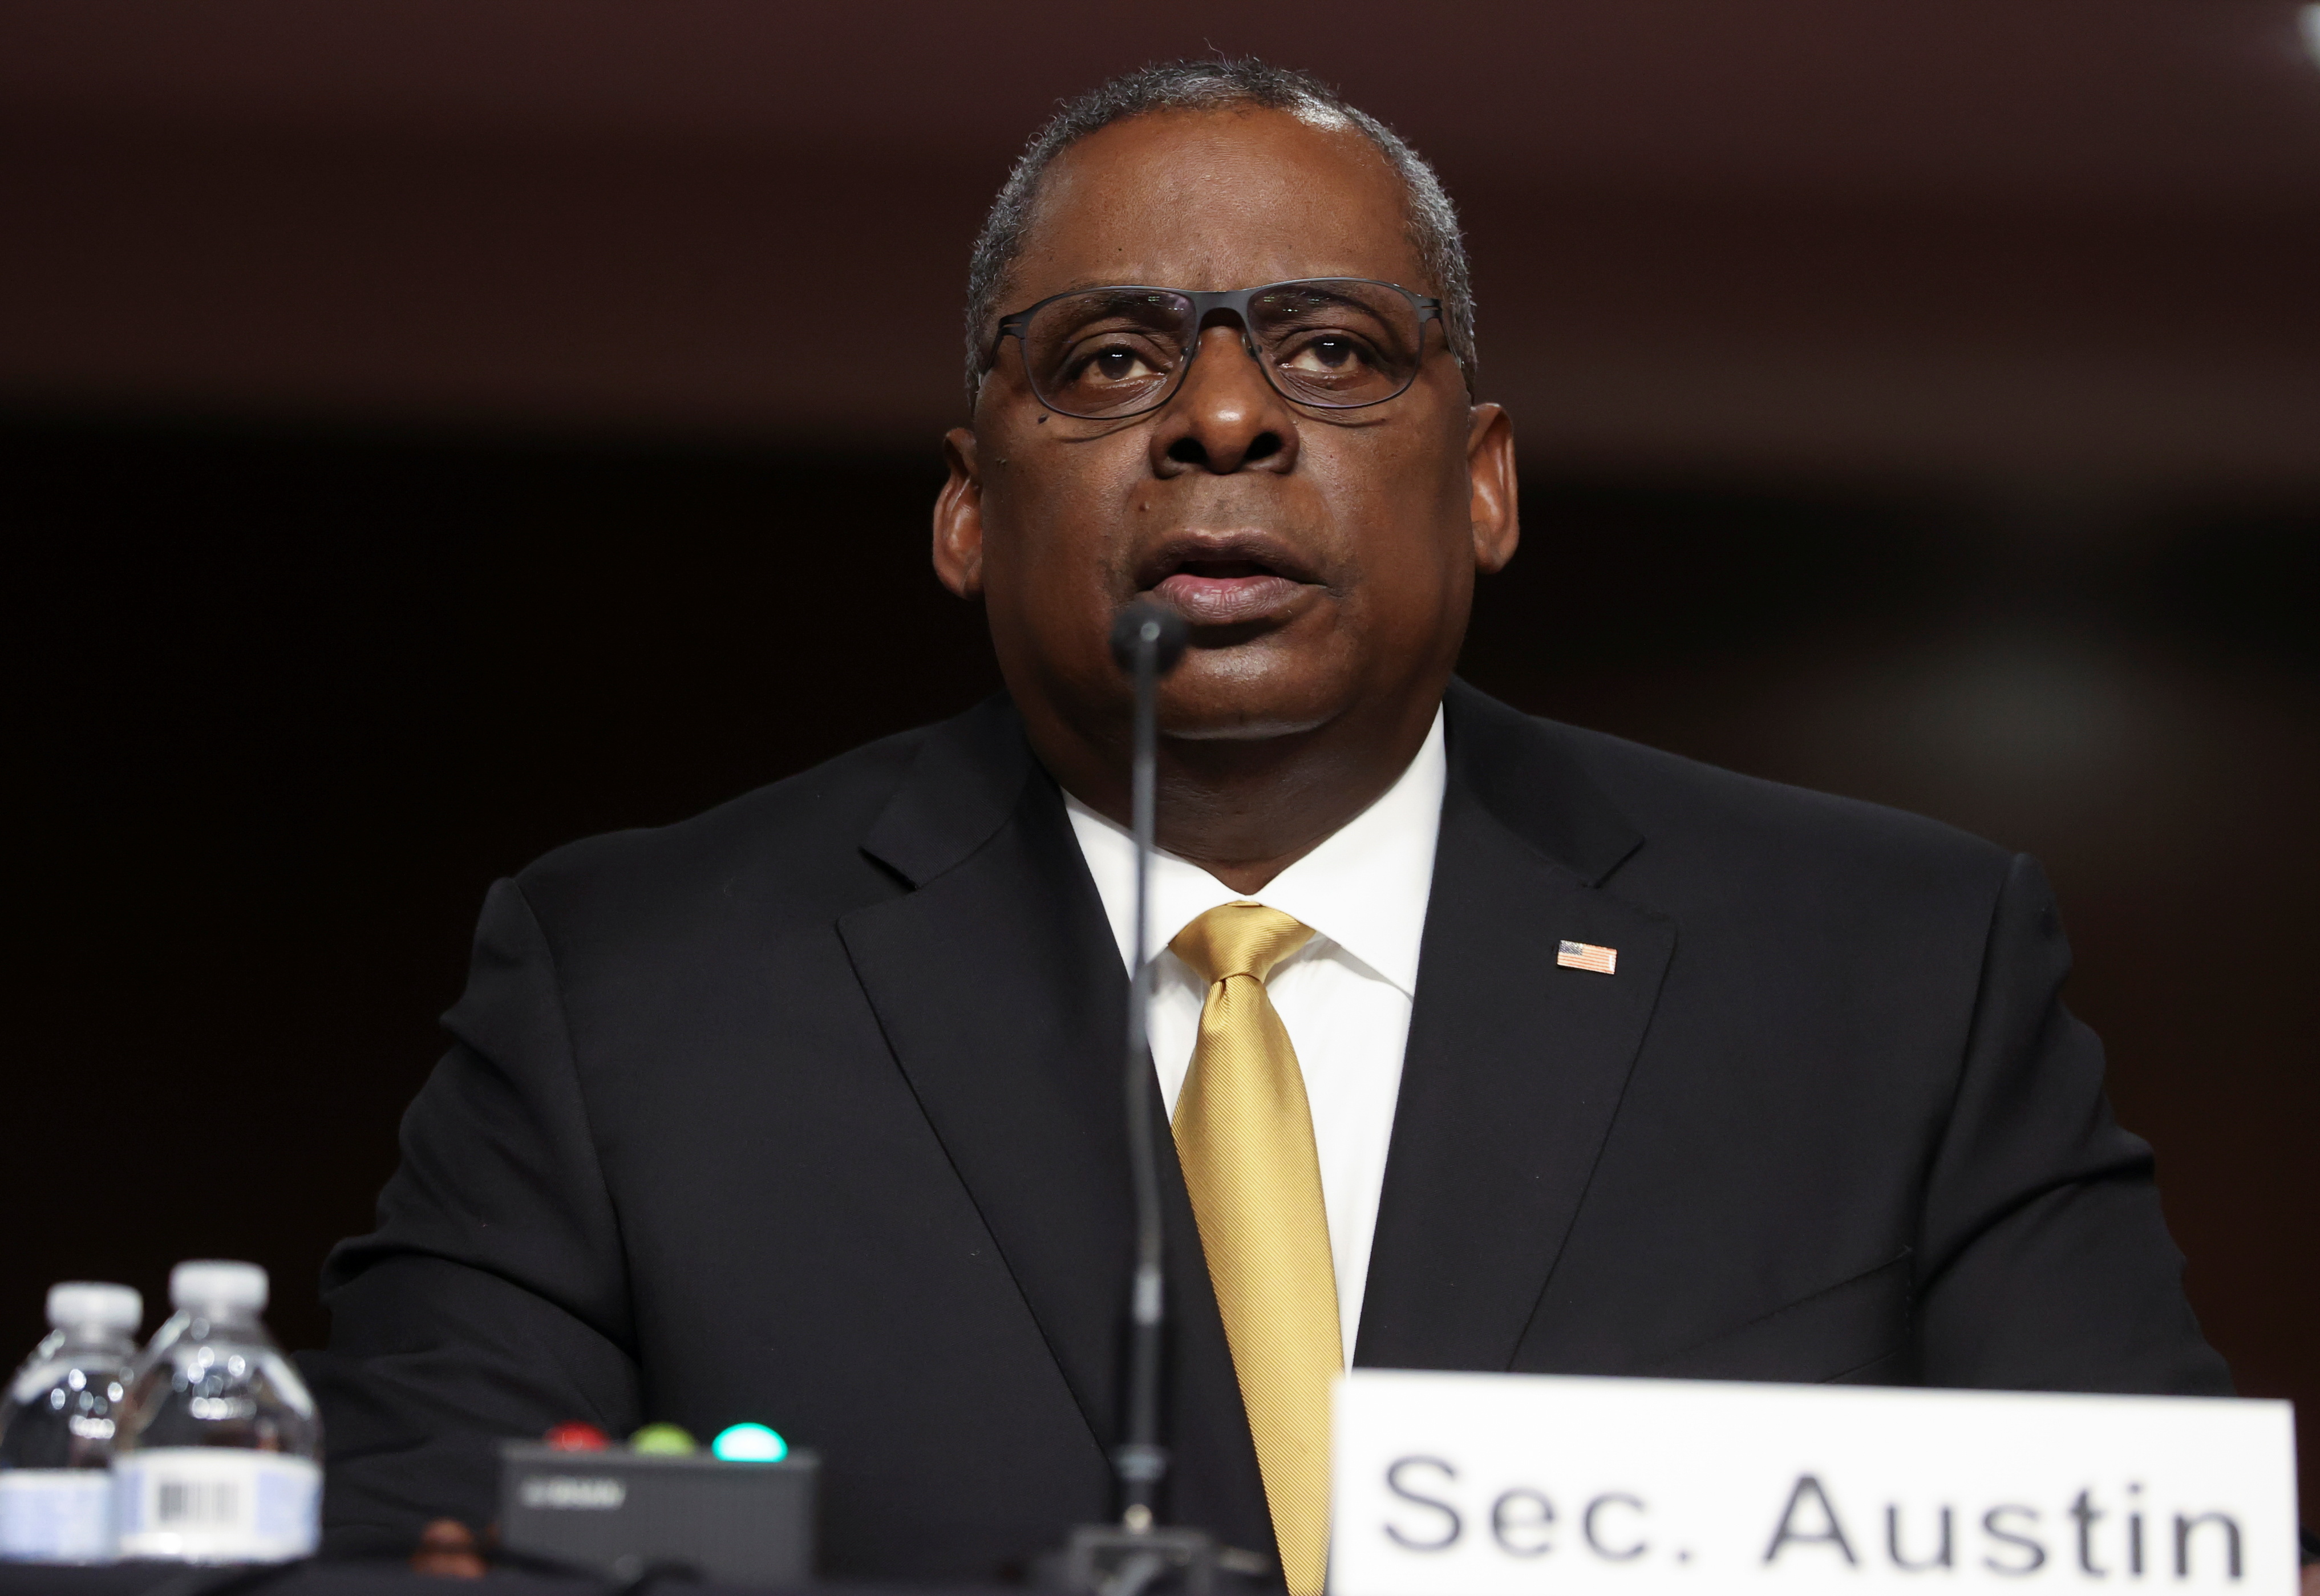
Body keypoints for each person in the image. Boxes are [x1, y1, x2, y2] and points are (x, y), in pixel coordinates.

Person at [304, 60, 2240, 1593]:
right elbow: (413, 1544)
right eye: (1111, 358)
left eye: (1330, 350)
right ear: (967, 507)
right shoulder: (635, 984)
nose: (1222, 420)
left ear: (1480, 483)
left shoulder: (1888, 964)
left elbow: (2155, 1557)